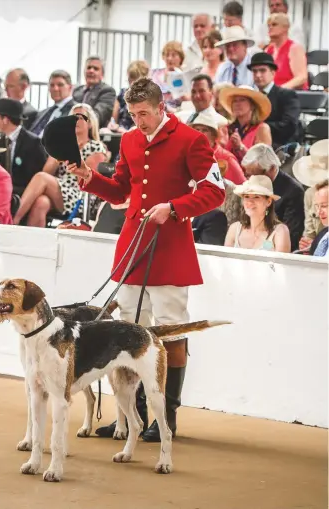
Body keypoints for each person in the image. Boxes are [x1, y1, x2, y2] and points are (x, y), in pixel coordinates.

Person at [68, 78, 225, 442]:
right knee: (128, 333)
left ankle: (166, 417)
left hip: (170, 250)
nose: (139, 121)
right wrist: (91, 179)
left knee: (172, 332)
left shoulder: (192, 139)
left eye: (144, 114)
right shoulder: (128, 140)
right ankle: (131, 417)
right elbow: (122, 189)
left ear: (160, 107)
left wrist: (173, 208)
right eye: (134, 114)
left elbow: (215, 192)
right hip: (132, 247)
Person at [224, 175, 291, 252]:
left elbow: (281, 263)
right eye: (246, 196)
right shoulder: (234, 229)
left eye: (256, 197)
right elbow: (225, 262)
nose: (250, 201)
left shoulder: (279, 231)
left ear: (268, 202)